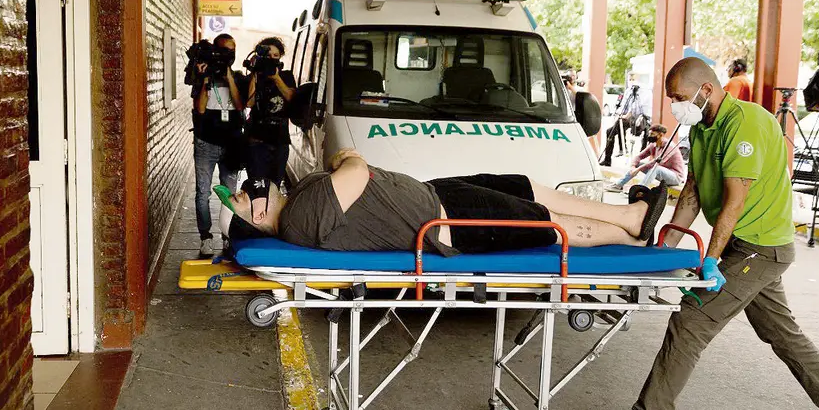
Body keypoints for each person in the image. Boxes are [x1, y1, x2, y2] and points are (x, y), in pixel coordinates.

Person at [590, 57, 819, 410]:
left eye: (679, 97)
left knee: (692, 319)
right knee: (783, 335)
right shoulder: (701, 128)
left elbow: (734, 202)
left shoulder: (744, 123)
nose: (675, 105)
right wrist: (662, 253)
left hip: (759, 247)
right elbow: (693, 193)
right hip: (746, 244)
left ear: (706, 90)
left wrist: (710, 259)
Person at [219, 148, 672, 256]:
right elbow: (355, 171)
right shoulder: (299, 218)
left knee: (522, 185)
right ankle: (630, 234)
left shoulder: (298, 200)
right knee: (542, 220)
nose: (248, 191)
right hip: (447, 223)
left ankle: (626, 214)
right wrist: (345, 154)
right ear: (258, 213)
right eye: (243, 198)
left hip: (437, 195)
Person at [189, 33, 246, 257]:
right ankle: (205, 237)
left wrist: (229, 76)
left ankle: (227, 236)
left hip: (231, 143)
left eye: (231, 51)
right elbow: (200, 108)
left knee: (229, 194)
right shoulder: (203, 75)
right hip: (206, 143)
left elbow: (240, 105)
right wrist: (206, 79)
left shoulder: (239, 77)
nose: (227, 55)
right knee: (203, 192)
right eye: (223, 51)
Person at [242, 37, 296, 223]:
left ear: (280, 57)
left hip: (280, 139)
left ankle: (270, 222)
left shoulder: (287, 76)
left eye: (276, 55)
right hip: (257, 139)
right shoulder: (256, 75)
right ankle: (254, 222)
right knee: (257, 185)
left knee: (274, 185)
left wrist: (277, 78)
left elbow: (291, 97)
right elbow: (248, 103)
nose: (272, 58)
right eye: (268, 55)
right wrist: (255, 75)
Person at [606, 124, 687, 192]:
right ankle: (619, 185)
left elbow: (658, 162)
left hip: (675, 177)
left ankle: (639, 190)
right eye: (649, 133)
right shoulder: (653, 145)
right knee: (640, 164)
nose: (649, 136)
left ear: (661, 135)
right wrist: (633, 167)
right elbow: (638, 157)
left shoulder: (669, 146)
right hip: (661, 173)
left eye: (652, 134)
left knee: (656, 168)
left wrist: (638, 169)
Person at [601, 76, 649, 167]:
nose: (631, 81)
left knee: (644, 134)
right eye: (630, 79)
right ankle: (608, 159)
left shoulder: (644, 93)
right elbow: (624, 105)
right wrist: (619, 114)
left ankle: (633, 156)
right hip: (627, 119)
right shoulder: (628, 91)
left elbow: (639, 108)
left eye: (633, 79)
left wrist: (627, 115)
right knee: (610, 131)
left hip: (640, 119)